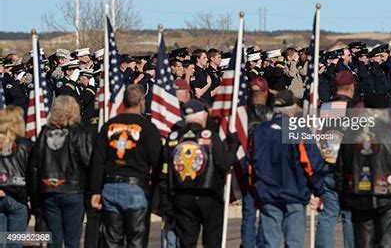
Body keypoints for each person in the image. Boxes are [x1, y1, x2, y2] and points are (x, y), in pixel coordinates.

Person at [247, 90, 325, 248]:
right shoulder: (298, 130)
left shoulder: (260, 131)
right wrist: (319, 190)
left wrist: (255, 191)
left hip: (269, 193)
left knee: (270, 243)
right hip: (294, 194)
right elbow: (311, 164)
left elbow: (250, 165)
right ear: (291, 107)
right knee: (294, 243)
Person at [335, 94, 391, 248]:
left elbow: (340, 169)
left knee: (364, 242)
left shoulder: (351, 133)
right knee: (387, 243)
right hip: (387, 194)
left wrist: (343, 197)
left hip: (359, 194)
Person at [90, 84, 162, 247]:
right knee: (136, 240)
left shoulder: (109, 126)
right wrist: (155, 188)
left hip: (111, 186)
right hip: (136, 188)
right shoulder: (147, 128)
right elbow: (157, 160)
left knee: (112, 240)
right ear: (142, 102)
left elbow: (98, 160)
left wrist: (95, 190)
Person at [160, 99, 240, 248]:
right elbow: (224, 163)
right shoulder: (210, 136)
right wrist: (234, 146)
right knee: (212, 241)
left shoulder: (173, 138)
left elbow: (165, 173)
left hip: (181, 197)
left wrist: (166, 203)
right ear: (203, 115)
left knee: (186, 242)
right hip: (209, 196)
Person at [29, 95, 93, 248]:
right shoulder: (79, 132)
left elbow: (34, 166)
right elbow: (88, 162)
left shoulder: (45, 133)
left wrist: (35, 195)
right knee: (72, 241)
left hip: (49, 190)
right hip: (73, 190)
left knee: (54, 240)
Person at [315, 71, 357, 248]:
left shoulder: (327, 108)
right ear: (352, 87)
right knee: (349, 217)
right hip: (348, 169)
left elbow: (322, 136)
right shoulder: (354, 110)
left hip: (329, 164)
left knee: (328, 215)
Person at [240, 77, 273, 248]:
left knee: (249, 211)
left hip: (248, 166)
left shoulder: (241, 116)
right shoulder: (272, 117)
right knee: (267, 211)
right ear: (266, 92)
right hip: (267, 168)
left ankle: (247, 244)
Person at [0, 106, 32, 244]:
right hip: (18, 197)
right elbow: (33, 172)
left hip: (9, 195)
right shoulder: (26, 145)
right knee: (15, 243)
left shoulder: (24, 145)